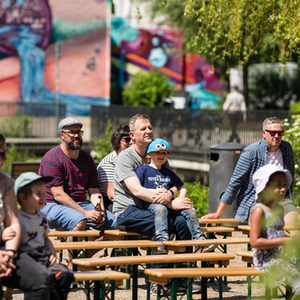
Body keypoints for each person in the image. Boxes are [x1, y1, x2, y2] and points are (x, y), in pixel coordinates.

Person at [113, 114, 196, 296]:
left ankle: (183, 275)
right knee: (163, 222)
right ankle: (157, 278)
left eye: (150, 127)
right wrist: (171, 203)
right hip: (128, 211)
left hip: (156, 210)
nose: (148, 131)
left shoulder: (159, 152)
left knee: (183, 223)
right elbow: (138, 191)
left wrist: (173, 193)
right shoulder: (125, 158)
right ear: (133, 135)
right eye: (143, 128)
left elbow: (173, 182)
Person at [202, 117, 299, 227]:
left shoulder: (286, 148)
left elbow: (289, 177)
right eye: (272, 133)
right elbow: (235, 184)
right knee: (272, 223)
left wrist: (289, 198)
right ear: (264, 133)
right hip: (258, 201)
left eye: (280, 133)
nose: (276, 136)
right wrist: (218, 213)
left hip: (281, 199)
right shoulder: (251, 151)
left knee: (295, 222)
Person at [136, 138, 216, 253]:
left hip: (171, 204)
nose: (161, 155)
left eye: (164, 153)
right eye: (158, 152)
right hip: (152, 204)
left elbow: (182, 186)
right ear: (149, 154)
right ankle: (162, 242)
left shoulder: (168, 172)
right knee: (160, 208)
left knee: (190, 210)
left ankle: (199, 242)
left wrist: (181, 198)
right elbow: (139, 189)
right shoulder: (143, 170)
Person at [39, 117, 115, 233]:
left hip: (81, 204)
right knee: (80, 221)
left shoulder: (87, 158)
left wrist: (100, 211)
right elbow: (58, 195)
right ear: (62, 135)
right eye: (72, 132)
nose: (76, 135)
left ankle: (88, 251)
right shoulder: (52, 158)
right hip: (53, 205)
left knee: (115, 223)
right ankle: (72, 251)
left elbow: (94, 191)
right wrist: (85, 213)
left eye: (78, 132)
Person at [0, 133, 53, 300]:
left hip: (5, 250)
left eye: (4, 152)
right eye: (1, 154)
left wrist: (9, 253)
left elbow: (13, 224)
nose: (5, 158)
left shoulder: (5, 182)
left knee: (44, 280)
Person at [14, 172, 74, 299]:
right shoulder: (17, 219)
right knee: (43, 281)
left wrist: (52, 251)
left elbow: (46, 238)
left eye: (44, 194)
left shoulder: (41, 217)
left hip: (43, 258)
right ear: (23, 197)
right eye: (38, 194)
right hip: (27, 260)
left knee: (65, 274)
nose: (43, 198)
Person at [250, 164, 300, 297]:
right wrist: (283, 240)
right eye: (278, 186)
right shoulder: (259, 210)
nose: (283, 189)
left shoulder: (280, 209)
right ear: (264, 188)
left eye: (284, 185)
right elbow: (255, 242)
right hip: (267, 260)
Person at [97, 124, 132, 211]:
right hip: (111, 203)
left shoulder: (134, 160)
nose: (131, 142)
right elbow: (112, 195)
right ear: (117, 141)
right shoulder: (109, 163)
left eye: (133, 139)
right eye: (127, 139)